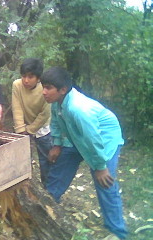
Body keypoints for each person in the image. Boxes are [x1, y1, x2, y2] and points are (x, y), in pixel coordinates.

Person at [41, 66, 127, 240]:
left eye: (48, 88)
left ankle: (118, 231)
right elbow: (56, 122)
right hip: (77, 137)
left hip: (104, 138)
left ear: (63, 89)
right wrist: (57, 144)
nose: (43, 92)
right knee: (61, 166)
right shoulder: (57, 102)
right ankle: (45, 209)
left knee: (105, 182)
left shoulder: (78, 110)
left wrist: (100, 167)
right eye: (43, 86)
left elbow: (92, 140)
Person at [11, 58, 52, 188]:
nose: (26, 80)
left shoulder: (45, 89)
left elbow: (44, 114)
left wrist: (31, 129)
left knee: (46, 160)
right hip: (24, 127)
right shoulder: (17, 85)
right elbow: (16, 107)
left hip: (43, 128)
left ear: (38, 78)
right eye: (24, 76)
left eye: (30, 77)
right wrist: (21, 129)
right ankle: (26, 187)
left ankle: (48, 189)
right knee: (22, 159)